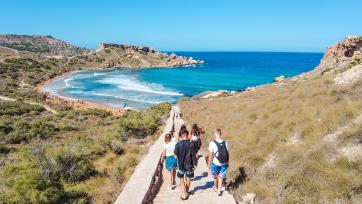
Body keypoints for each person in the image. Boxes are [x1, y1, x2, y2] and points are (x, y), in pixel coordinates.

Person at [208, 128, 229, 196]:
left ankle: (216, 187)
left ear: (215, 134)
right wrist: (228, 162)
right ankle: (219, 191)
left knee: (215, 177)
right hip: (224, 163)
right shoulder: (225, 142)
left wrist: (209, 164)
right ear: (220, 134)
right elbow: (228, 154)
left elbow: (210, 155)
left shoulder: (212, 143)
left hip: (215, 163)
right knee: (221, 177)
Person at [174, 129, 194, 200]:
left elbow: (175, 156)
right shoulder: (191, 144)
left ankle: (183, 194)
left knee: (181, 179)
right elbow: (194, 155)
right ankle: (187, 192)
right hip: (189, 165)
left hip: (181, 165)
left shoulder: (177, 145)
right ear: (187, 135)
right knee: (189, 178)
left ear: (180, 136)